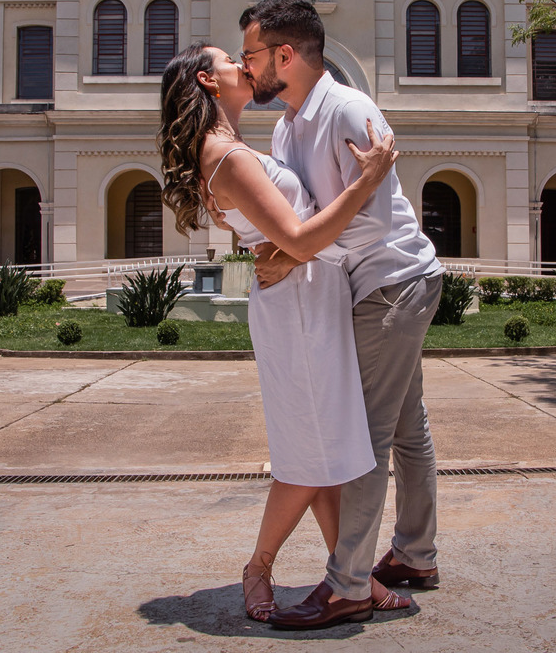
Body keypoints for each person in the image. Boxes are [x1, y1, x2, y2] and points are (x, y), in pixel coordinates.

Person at [156, 42, 412, 623]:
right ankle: (260, 567)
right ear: (209, 81)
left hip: (308, 298)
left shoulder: (233, 150)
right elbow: (299, 241)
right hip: (298, 306)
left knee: (330, 449)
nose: (245, 66)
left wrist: (278, 248)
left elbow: (283, 239)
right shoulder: (228, 156)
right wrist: (367, 179)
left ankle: (347, 572)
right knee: (309, 455)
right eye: (231, 60)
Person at [238, 0, 444, 631]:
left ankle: (349, 584)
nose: (247, 70)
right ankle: (415, 555)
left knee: (366, 438)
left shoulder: (350, 110)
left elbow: (373, 225)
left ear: (285, 54)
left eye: (251, 56)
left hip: (391, 282)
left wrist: (292, 253)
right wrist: (283, 246)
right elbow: (302, 219)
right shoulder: (286, 126)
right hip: (375, 285)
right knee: (408, 427)